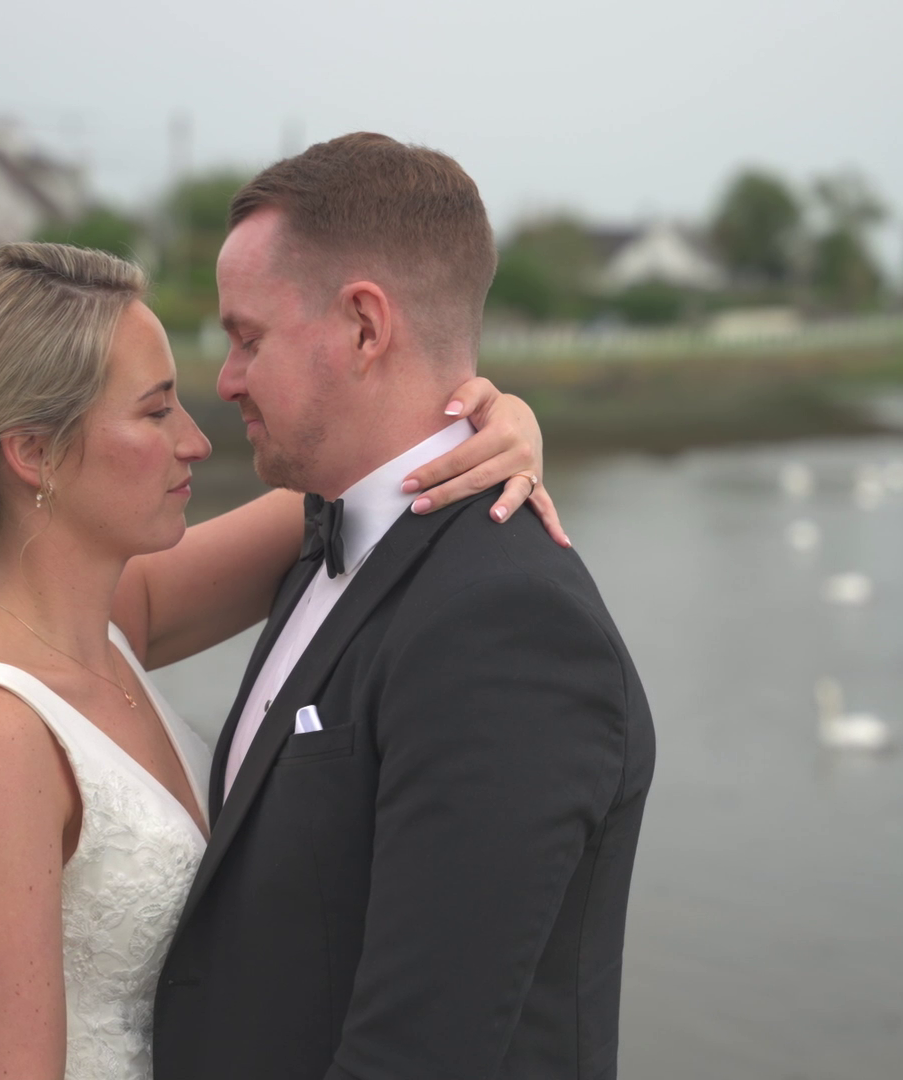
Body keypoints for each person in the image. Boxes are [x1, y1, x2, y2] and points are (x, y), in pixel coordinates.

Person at [0, 240, 563, 1080]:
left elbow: (383, 483)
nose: (196, 442)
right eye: (157, 412)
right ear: (35, 453)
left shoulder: (110, 622)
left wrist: (494, 424)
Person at [152, 133, 655, 1079]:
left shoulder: (505, 626)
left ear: (365, 327)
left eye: (246, 337)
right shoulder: (322, 537)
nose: (224, 381)